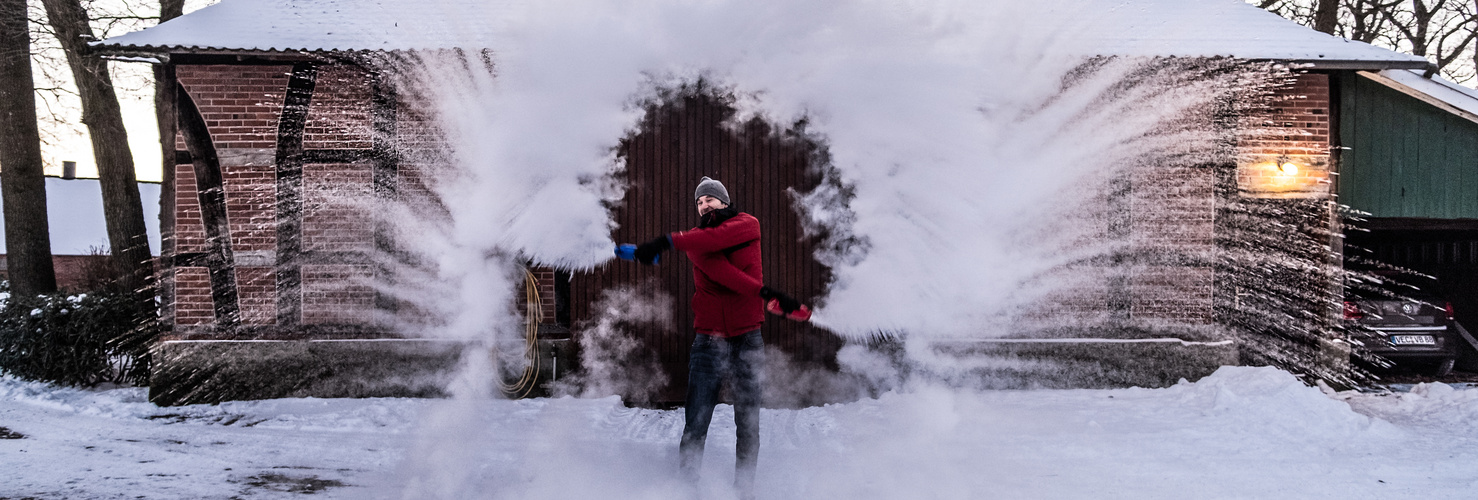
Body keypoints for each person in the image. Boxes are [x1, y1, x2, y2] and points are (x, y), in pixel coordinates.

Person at [621, 176, 809, 498]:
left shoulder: (747, 224)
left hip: (747, 339)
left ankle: (744, 491)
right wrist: (765, 292)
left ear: (724, 201)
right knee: (696, 421)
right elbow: (728, 275)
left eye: (709, 199)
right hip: (708, 342)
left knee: (748, 423)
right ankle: (686, 489)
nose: (704, 204)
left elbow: (720, 242)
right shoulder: (696, 240)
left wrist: (665, 241)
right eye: (699, 202)